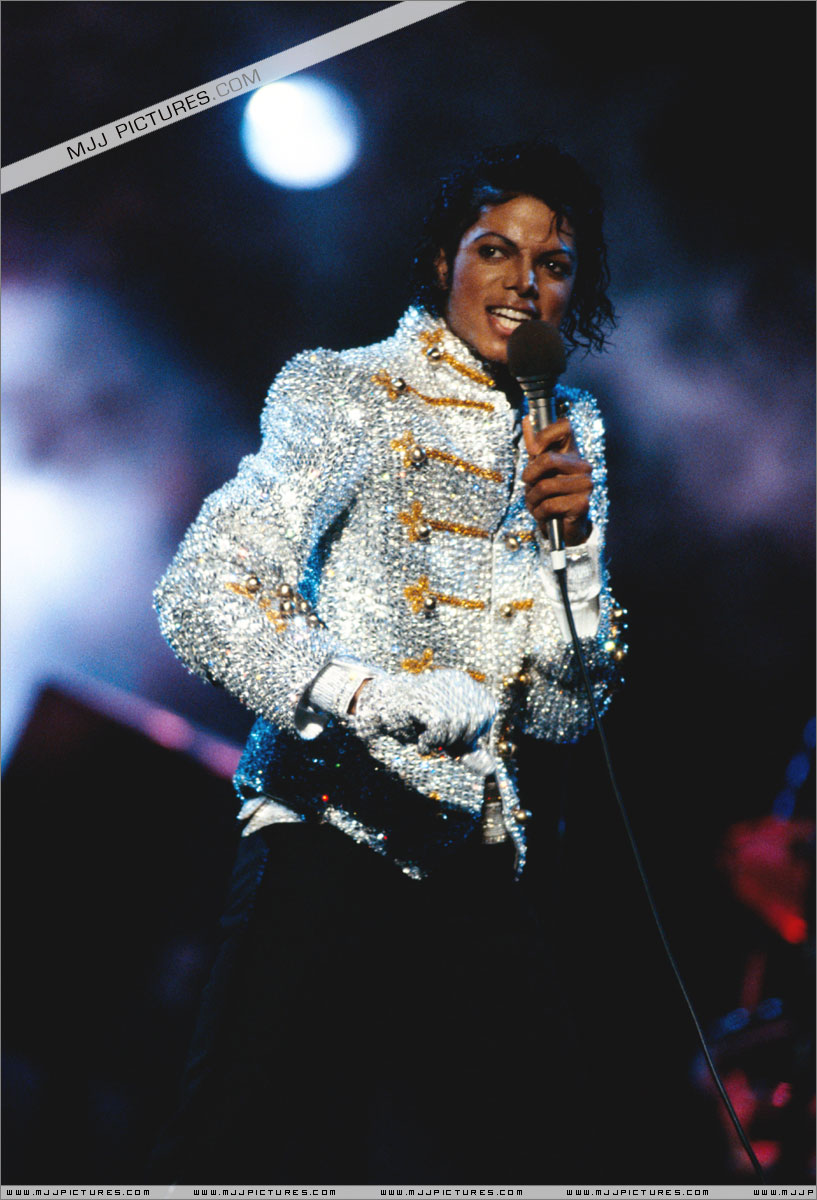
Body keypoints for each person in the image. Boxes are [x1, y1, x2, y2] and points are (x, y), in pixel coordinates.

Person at [149, 140, 626, 1184]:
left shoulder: (568, 431)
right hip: (328, 833)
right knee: (241, 1150)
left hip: (474, 858)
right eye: (495, 249)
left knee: (551, 1148)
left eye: (552, 264)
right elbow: (201, 590)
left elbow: (562, 713)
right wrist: (367, 692)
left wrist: (579, 558)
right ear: (444, 260)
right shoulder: (348, 389)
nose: (522, 281)